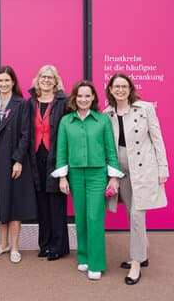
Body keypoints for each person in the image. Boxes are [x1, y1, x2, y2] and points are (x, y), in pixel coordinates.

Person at [53, 80, 124, 280]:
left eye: (87, 95)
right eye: (80, 96)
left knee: (94, 218)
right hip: (75, 175)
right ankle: (83, 257)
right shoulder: (66, 121)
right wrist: (62, 177)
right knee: (81, 217)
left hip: (97, 175)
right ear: (74, 98)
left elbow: (111, 149)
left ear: (93, 98)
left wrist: (114, 177)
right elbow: (61, 151)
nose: (83, 99)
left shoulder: (102, 120)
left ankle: (96, 263)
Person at [104, 73, 169, 285]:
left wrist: (163, 167)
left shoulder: (145, 109)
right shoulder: (107, 114)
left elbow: (157, 139)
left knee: (137, 215)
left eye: (124, 86)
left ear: (130, 88)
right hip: (120, 170)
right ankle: (143, 254)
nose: (120, 89)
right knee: (131, 213)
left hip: (143, 170)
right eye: (116, 86)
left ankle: (136, 263)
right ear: (111, 90)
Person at [0, 66, 35, 264]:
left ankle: (15, 246)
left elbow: (26, 135)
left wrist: (18, 160)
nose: (3, 84)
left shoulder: (22, 104)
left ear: (13, 82)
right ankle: (2, 244)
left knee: (14, 203)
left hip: (14, 161)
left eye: (6, 81)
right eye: (0, 81)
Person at [25, 65, 70, 261]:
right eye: (43, 76)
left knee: (56, 204)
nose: (46, 80)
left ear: (56, 81)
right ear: (37, 79)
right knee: (41, 204)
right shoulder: (31, 102)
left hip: (57, 158)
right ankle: (44, 244)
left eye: (50, 77)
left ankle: (58, 246)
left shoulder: (64, 101)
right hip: (36, 159)